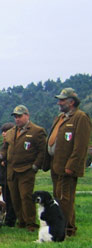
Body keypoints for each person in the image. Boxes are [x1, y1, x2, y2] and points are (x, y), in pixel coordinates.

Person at [0, 105, 46, 231]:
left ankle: (30, 223)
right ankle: (21, 221)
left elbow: (42, 151)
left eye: (20, 116)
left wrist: (35, 166)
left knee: (26, 197)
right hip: (11, 170)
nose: (17, 119)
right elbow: (5, 149)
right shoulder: (10, 133)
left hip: (27, 170)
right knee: (14, 198)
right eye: (15, 116)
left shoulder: (37, 131)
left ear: (27, 115)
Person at [46, 88, 91, 236]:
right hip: (56, 164)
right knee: (58, 197)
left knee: (66, 199)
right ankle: (66, 226)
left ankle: (65, 229)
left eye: (62, 100)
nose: (59, 102)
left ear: (71, 102)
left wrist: (72, 165)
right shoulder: (61, 117)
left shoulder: (80, 117)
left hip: (67, 166)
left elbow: (81, 145)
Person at [0, 122, 16, 227]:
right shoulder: (4, 144)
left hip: (11, 174)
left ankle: (12, 219)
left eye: (6, 131)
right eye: (2, 131)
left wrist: (5, 162)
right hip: (3, 176)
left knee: (12, 199)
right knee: (6, 198)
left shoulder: (14, 143)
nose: (3, 133)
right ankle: (8, 218)